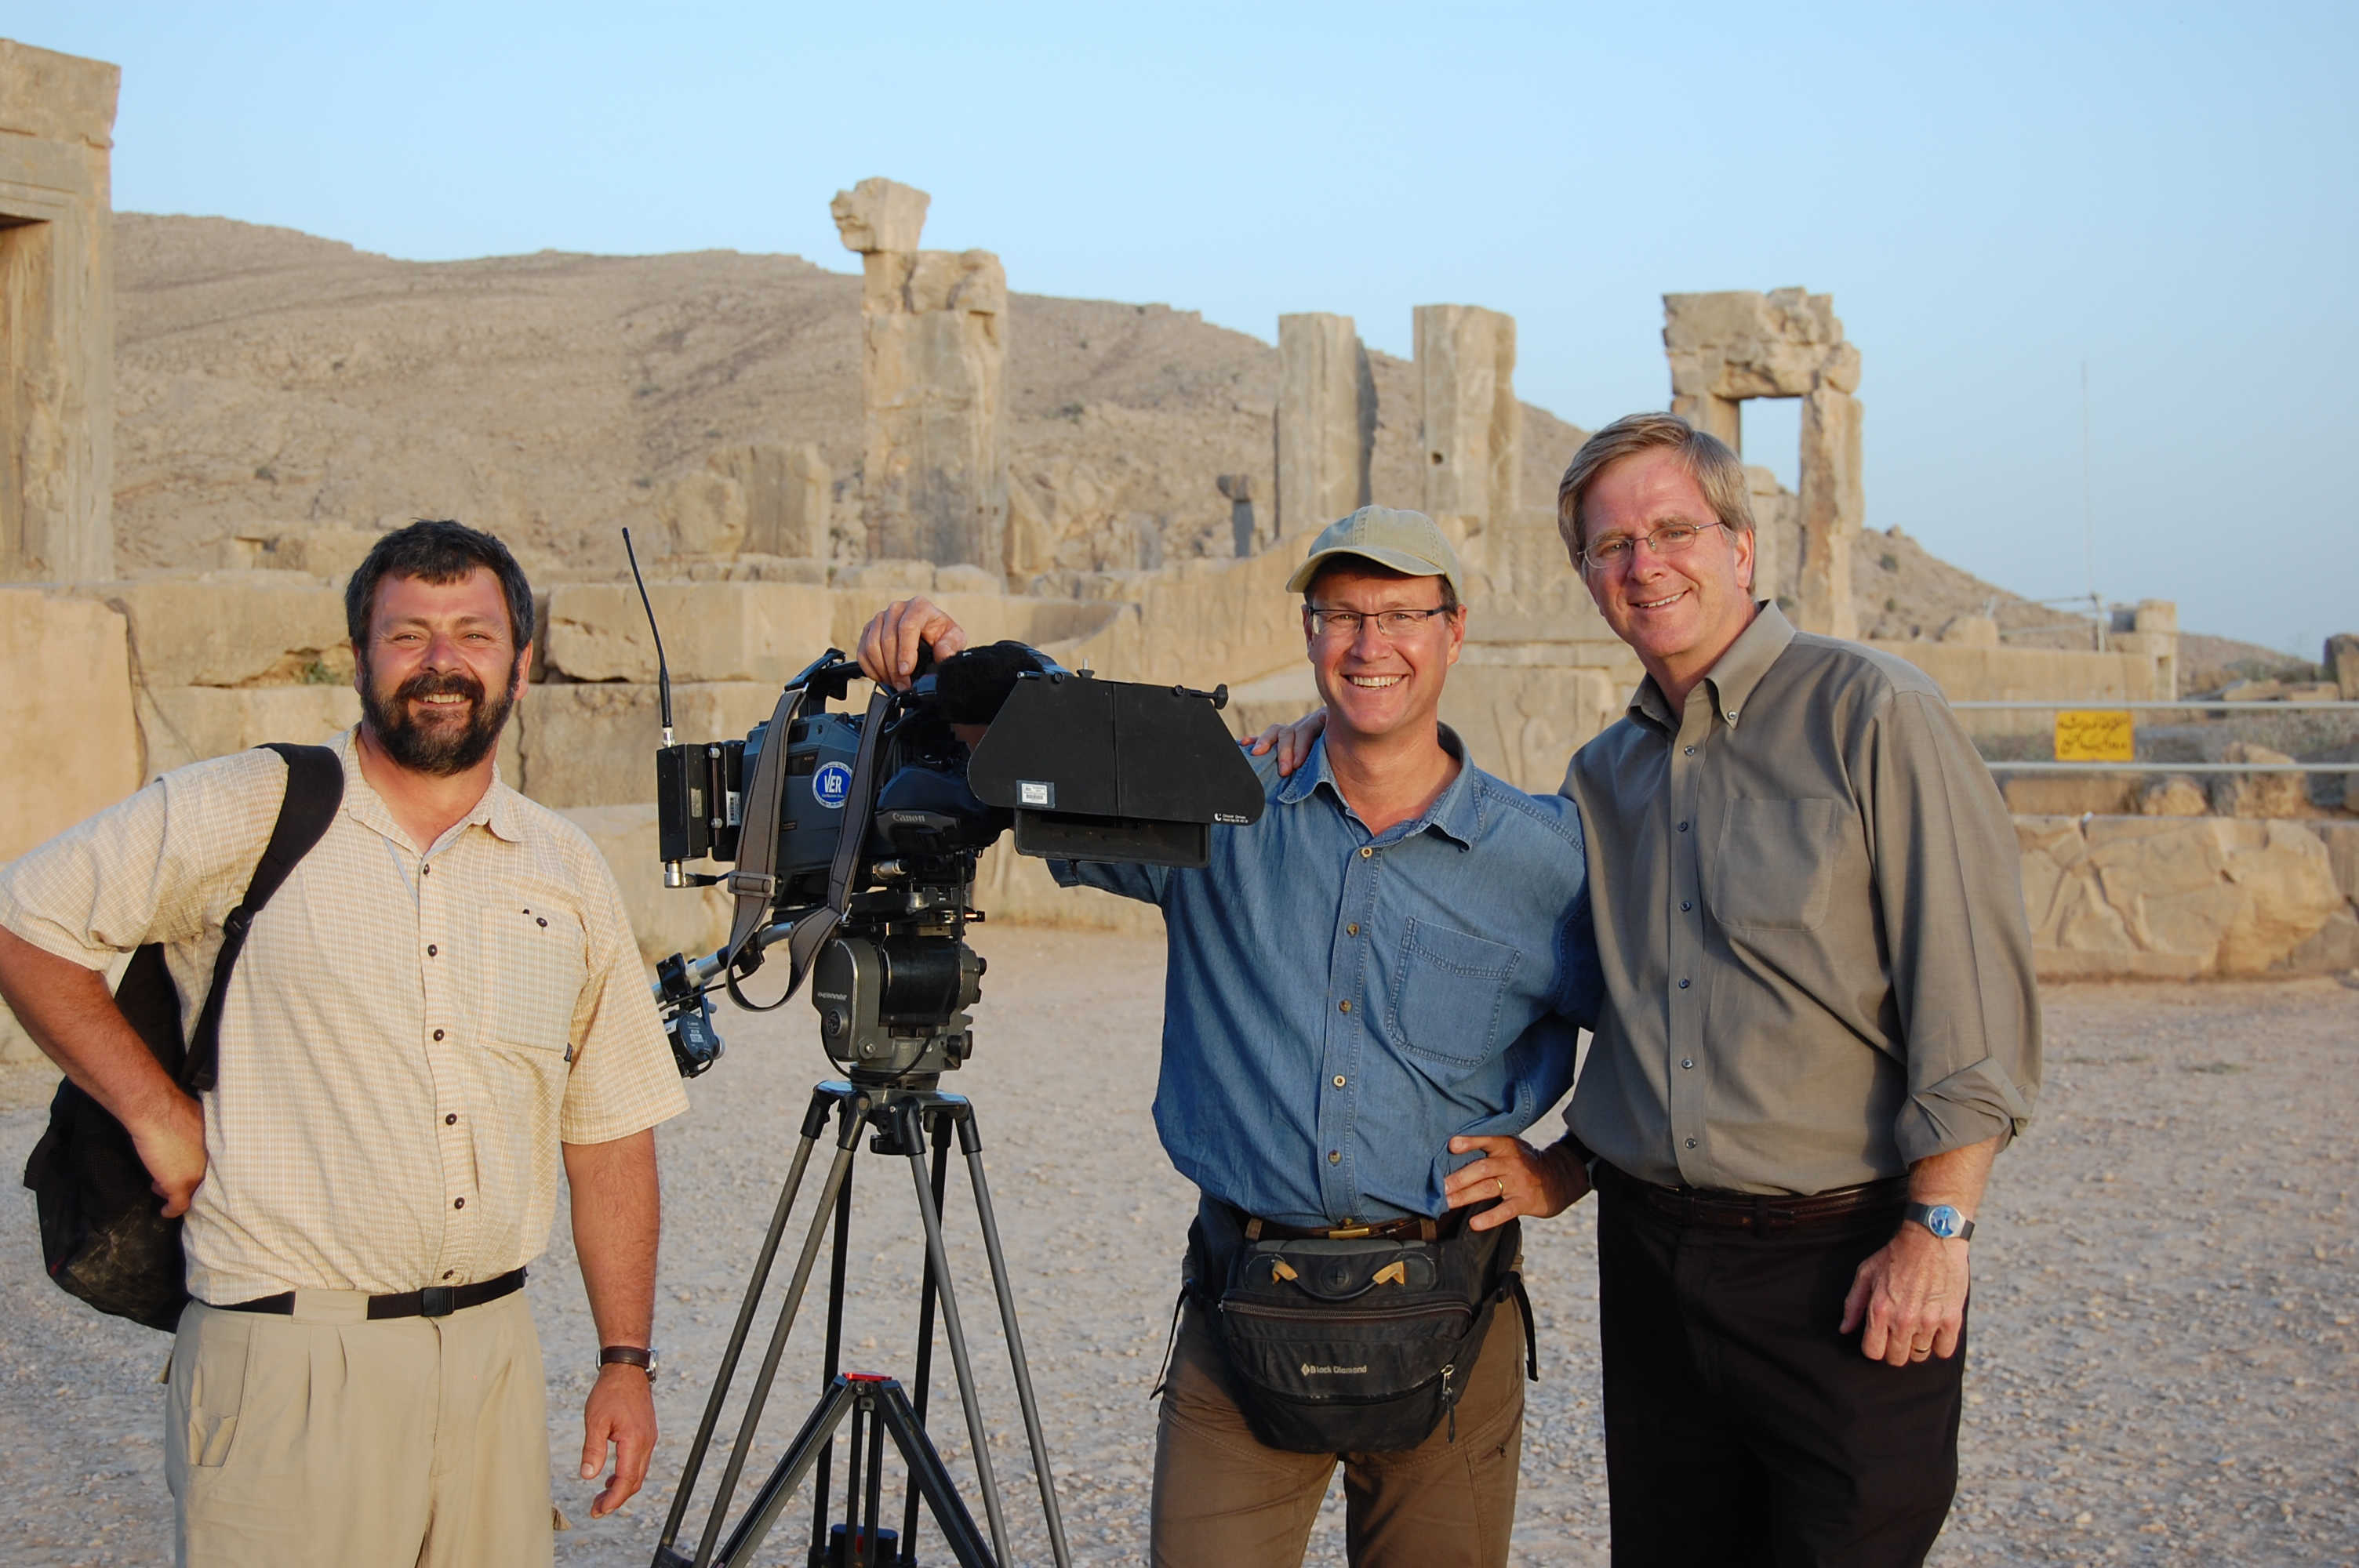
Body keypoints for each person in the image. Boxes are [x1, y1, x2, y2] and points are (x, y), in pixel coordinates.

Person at [1259, 415, 2042, 1566]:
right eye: (1611, 545)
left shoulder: (1871, 713)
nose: (1644, 564)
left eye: (1674, 529)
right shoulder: (1605, 776)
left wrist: (1939, 1228)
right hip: (1655, 1266)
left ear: (1741, 547)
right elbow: (1621, 1007)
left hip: (1845, 1258)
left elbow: (1966, 989)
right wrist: (1564, 1163)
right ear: (1584, 575)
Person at [856, 506, 1599, 1568]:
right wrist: (945, 658)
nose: (1369, 643)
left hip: (1454, 1322)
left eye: (1400, 614)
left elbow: (1663, 1033)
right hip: (1241, 1310)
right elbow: (1038, 761)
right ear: (1308, 633)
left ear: (1454, 630)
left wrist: (1566, 1167)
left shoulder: (1544, 858)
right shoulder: (1218, 805)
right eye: (1341, 614)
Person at [0, 520, 691, 1568]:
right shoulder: (246, 809)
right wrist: (154, 1112)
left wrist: (625, 1360)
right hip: (287, 1366)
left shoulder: (566, 871)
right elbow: (26, 924)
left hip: (492, 1363)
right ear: (359, 655)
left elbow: (607, 1133)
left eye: (473, 633)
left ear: (523, 659)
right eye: (407, 634)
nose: (441, 662)